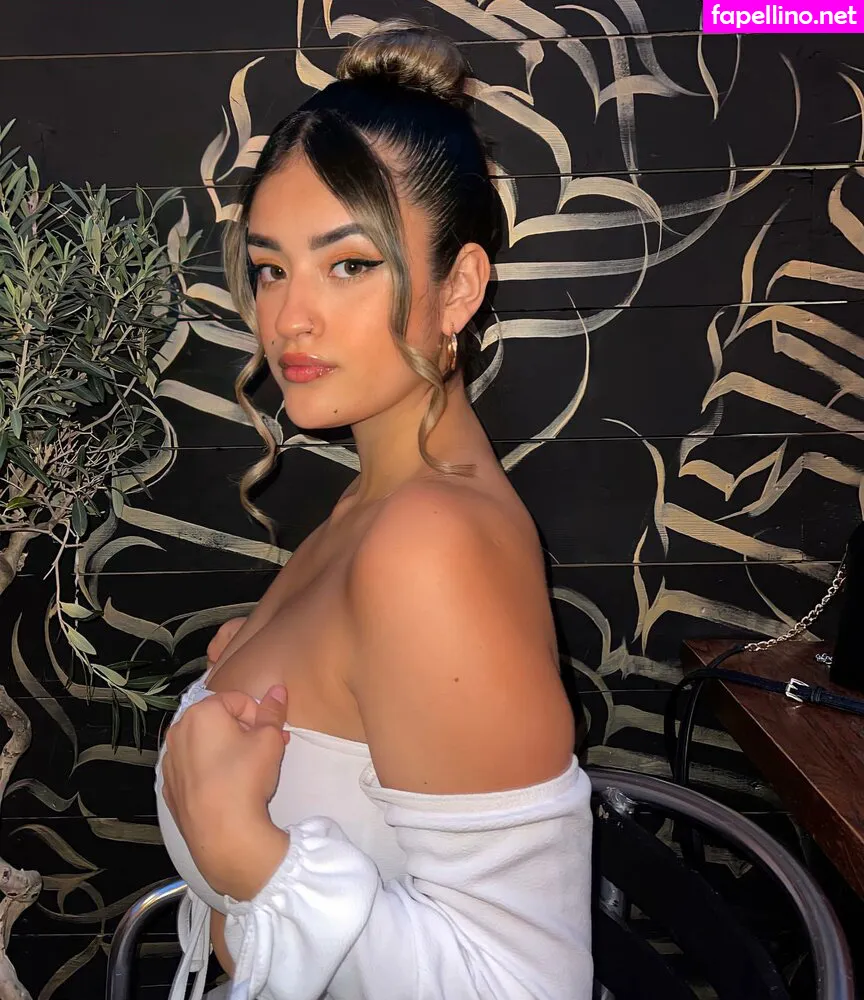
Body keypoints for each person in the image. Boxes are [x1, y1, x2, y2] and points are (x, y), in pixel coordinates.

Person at [155, 19, 593, 1000]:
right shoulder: (372, 499)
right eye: (271, 267)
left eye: (349, 263)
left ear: (459, 287)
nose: (289, 317)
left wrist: (244, 854)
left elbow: (524, 987)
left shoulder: (426, 544)